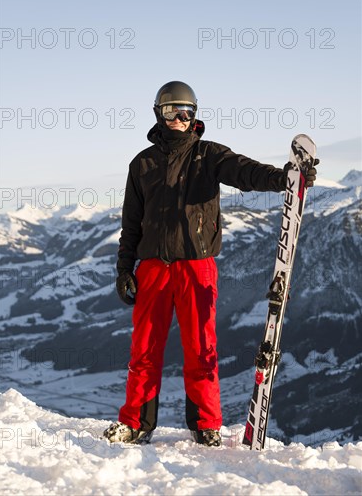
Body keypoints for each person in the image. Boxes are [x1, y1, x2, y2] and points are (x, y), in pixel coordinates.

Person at [103, 81, 318, 447]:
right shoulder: (142, 164)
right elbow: (131, 223)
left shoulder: (208, 156)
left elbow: (245, 172)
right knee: (144, 348)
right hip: (153, 267)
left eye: (185, 111)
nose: (179, 118)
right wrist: (125, 269)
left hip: (196, 266)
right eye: (171, 110)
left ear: (195, 115)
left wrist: (284, 178)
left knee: (202, 347)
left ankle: (206, 425)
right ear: (159, 113)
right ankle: (136, 422)